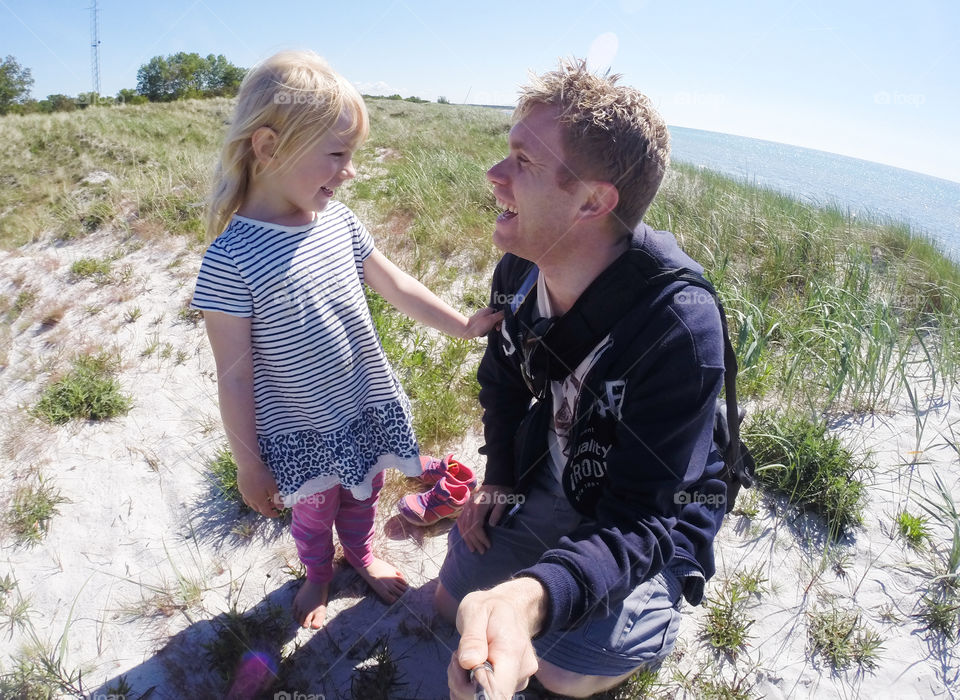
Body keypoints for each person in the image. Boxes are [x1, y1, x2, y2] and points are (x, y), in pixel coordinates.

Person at [439, 59, 729, 698]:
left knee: (564, 671)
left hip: (645, 507)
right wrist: (501, 479)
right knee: (453, 602)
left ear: (594, 201)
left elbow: (642, 517)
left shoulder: (678, 328)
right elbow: (505, 381)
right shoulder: (520, 270)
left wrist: (530, 599)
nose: (495, 174)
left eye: (524, 160)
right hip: (561, 466)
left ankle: (657, 614)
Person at [190, 50, 500, 630]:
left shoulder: (340, 222)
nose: (350, 170)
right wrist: (247, 462)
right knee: (313, 513)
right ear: (268, 147)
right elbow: (233, 375)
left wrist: (461, 324)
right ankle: (317, 575)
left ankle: (359, 554)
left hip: (361, 406)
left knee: (363, 496)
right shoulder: (230, 259)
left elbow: (396, 284)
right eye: (336, 154)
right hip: (300, 426)